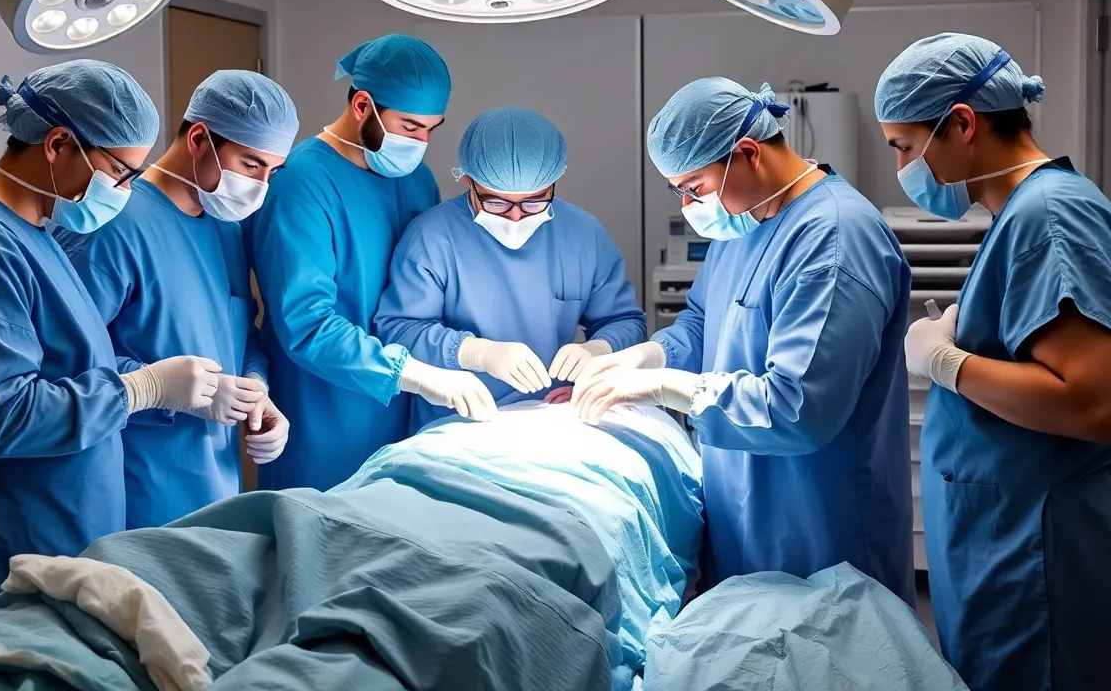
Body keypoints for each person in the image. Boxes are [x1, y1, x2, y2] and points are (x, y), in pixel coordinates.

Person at [572, 77, 916, 605]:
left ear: (748, 154)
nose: (688, 205)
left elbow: (798, 408)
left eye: (695, 187)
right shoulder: (745, 220)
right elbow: (701, 320)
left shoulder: (836, 238)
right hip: (743, 515)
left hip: (822, 529)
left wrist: (664, 386)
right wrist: (646, 355)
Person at [0, 61, 222, 616]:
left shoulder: (37, 233)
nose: (125, 191)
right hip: (6, 543)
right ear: (57, 145)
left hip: (55, 534)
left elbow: (65, 366)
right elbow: (5, 416)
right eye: (120, 174)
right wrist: (141, 388)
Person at [875, 33, 1111, 691]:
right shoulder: (1020, 214)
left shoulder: (1051, 213)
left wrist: (947, 363)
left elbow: (1094, 402)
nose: (901, 165)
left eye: (904, 146)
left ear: (961, 123)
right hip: (1008, 539)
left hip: (1037, 556)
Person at [247, 34, 495, 492]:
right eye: (409, 126)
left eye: (431, 129)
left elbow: (431, 284)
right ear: (363, 105)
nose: (421, 142)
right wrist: (411, 374)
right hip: (325, 414)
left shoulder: (415, 178)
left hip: (409, 413)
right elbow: (306, 324)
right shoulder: (300, 183)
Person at [56, 70, 295, 530]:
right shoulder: (112, 225)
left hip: (216, 486)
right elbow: (65, 362)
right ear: (200, 138)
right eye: (251, 165)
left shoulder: (226, 226)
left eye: (273, 171)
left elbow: (240, 331)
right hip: (133, 489)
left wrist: (254, 389)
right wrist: (165, 391)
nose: (261, 186)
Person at [375, 107, 648, 429]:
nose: (516, 217)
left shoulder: (583, 235)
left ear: (554, 182)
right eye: (496, 202)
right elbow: (398, 329)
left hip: (558, 415)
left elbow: (626, 322)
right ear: (468, 181)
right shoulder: (431, 238)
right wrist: (475, 352)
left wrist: (600, 351)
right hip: (456, 421)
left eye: (534, 201)